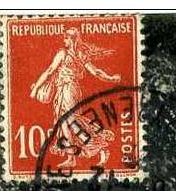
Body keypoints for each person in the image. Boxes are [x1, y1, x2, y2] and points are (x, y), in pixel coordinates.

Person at [30, 29, 122, 169]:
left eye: (66, 38)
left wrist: (36, 88)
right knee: (65, 123)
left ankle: (98, 148)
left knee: (70, 122)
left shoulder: (63, 53)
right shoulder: (81, 54)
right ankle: (72, 157)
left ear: (72, 39)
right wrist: (110, 78)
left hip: (67, 90)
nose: (64, 41)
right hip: (69, 90)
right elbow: (96, 72)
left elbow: (49, 71)